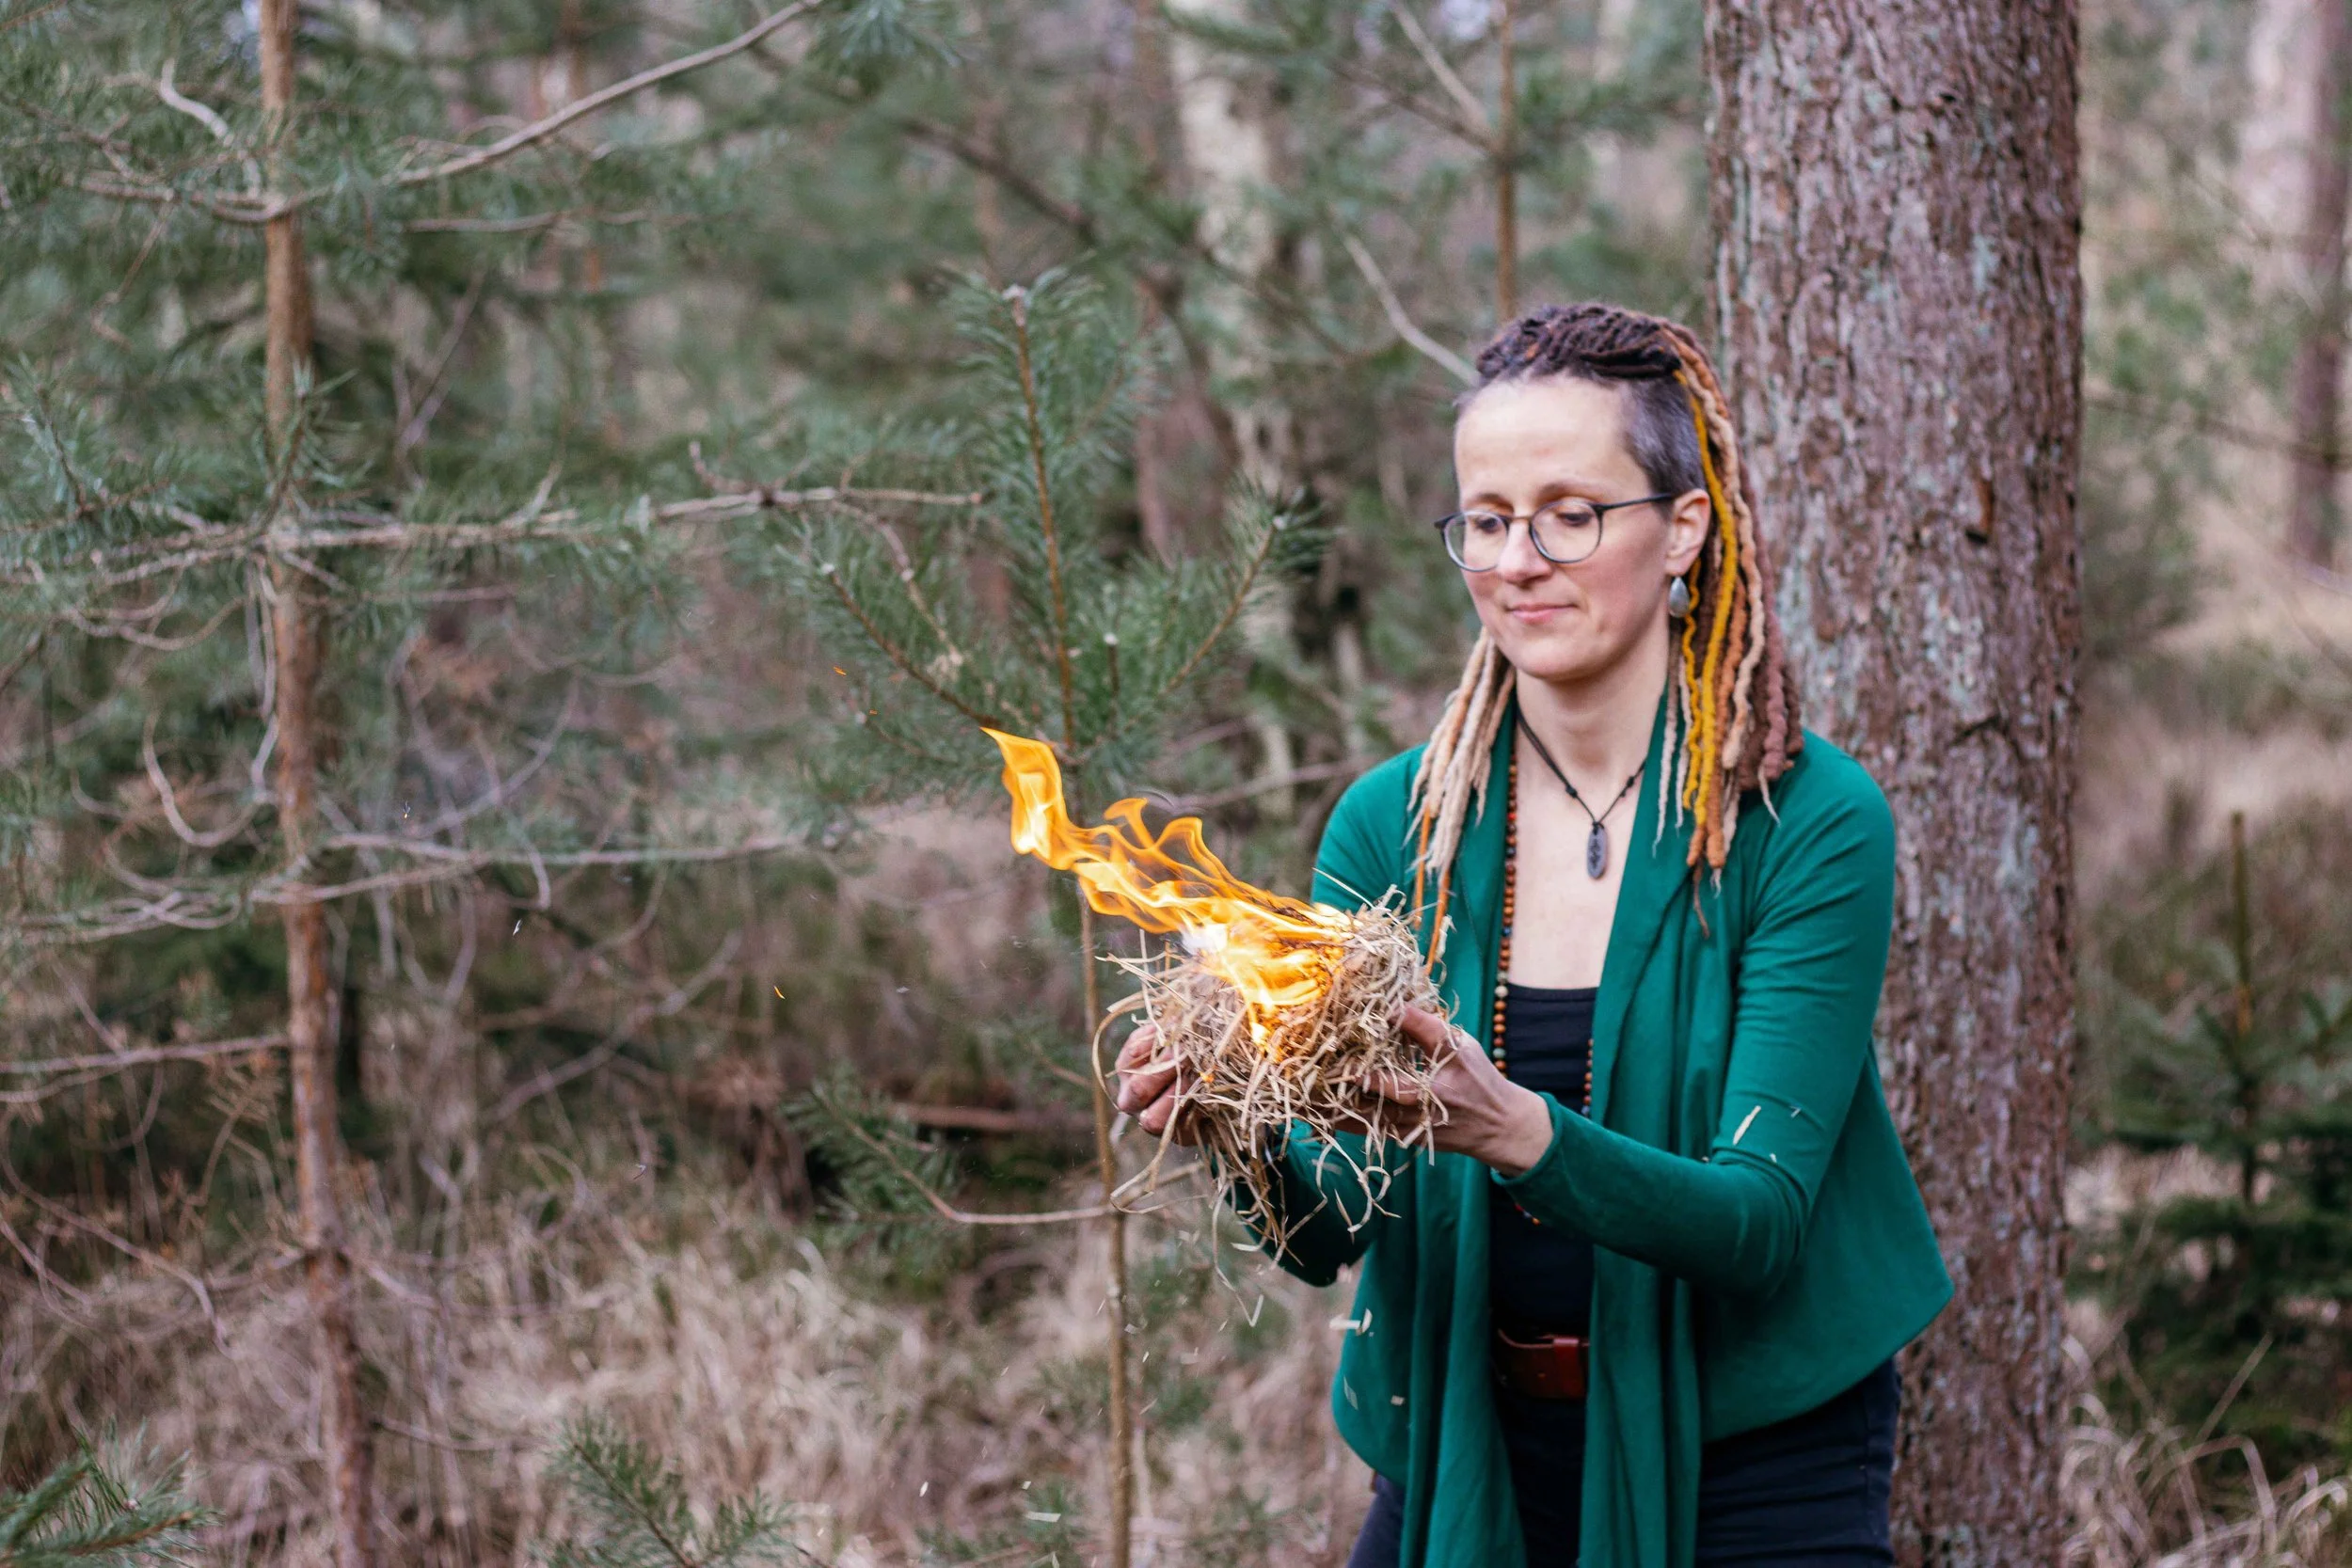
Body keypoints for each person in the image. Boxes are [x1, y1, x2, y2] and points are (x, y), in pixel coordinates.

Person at [1113, 303, 1952, 1568]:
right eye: (1488, 519)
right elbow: (1332, 1228)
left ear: (1681, 527)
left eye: (1571, 512)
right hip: (1466, 1435)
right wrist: (1234, 1130)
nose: (1517, 561)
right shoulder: (1398, 827)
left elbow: (1760, 1222)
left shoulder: (1805, 823)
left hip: (1757, 1455)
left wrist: (1510, 1128)